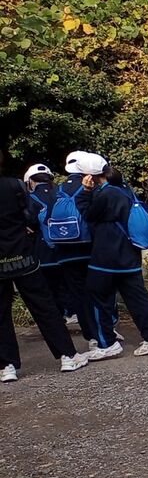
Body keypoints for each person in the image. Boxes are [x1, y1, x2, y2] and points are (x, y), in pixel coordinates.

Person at [0, 148, 88, 382]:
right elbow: (30, 217)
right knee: (44, 306)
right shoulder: (15, 185)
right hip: (23, 256)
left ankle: (7, 366)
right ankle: (67, 356)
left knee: (1, 314)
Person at [75, 154, 148, 360]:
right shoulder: (125, 189)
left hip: (107, 257)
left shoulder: (105, 194)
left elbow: (88, 215)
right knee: (137, 297)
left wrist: (85, 192)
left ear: (90, 176)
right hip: (130, 255)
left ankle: (107, 343)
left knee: (97, 297)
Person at [25, 160, 100, 351]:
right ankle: (99, 330)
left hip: (48, 254)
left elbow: (33, 222)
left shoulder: (33, 197)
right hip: (82, 247)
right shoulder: (63, 192)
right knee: (85, 291)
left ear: (30, 181)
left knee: (52, 294)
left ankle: (64, 328)